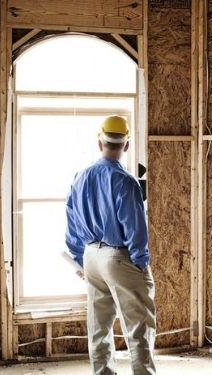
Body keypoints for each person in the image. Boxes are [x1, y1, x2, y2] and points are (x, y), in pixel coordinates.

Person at [66, 115, 156, 375]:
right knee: (138, 326)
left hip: (91, 256)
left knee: (99, 325)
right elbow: (135, 231)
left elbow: (71, 222)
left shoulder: (80, 177)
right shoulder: (126, 182)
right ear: (125, 146)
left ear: (99, 143)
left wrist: (79, 257)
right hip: (119, 257)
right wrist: (140, 265)